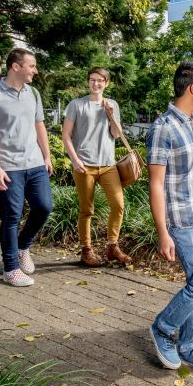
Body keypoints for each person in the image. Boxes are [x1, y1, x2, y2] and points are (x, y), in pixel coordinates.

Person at [146, 61, 193, 375]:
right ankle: (163, 328)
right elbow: (156, 184)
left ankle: (189, 346)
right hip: (182, 219)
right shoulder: (163, 127)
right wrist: (162, 232)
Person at [0, 48, 54, 287]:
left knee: (44, 207)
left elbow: (39, 126)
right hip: (9, 167)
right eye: (31, 66)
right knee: (11, 217)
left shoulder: (33, 93)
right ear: (16, 67)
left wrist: (47, 155)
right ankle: (10, 268)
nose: (35, 70)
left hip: (35, 164)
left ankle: (23, 246)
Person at [62, 67, 132, 267]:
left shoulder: (112, 105)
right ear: (88, 82)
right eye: (92, 80)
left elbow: (116, 134)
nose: (96, 83)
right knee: (87, 210)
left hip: (108, 165)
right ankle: (86, 250)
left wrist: (110, 114)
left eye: (100, 80)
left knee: (118, 205)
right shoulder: (76, 105)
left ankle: (112, 246)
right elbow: (66, 135)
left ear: (106, 83)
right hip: (85, 165)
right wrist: (75, 160)